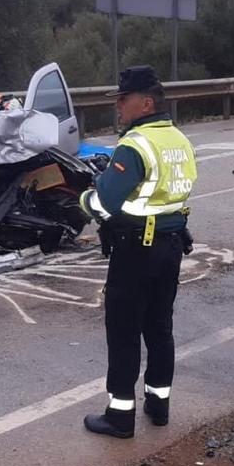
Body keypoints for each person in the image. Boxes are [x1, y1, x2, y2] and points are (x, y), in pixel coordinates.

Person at [78, 66, 197, 439]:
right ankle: (158, 406)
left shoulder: (136, 144)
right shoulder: (177, 140)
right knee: (160, 327)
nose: (118, 108)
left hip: (137, 250)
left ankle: (119, 416)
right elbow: (171, 197)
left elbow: (105, 203)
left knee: (125, 330)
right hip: (172, 244)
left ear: (146, 103)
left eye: (123, 100)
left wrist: (82, 198)